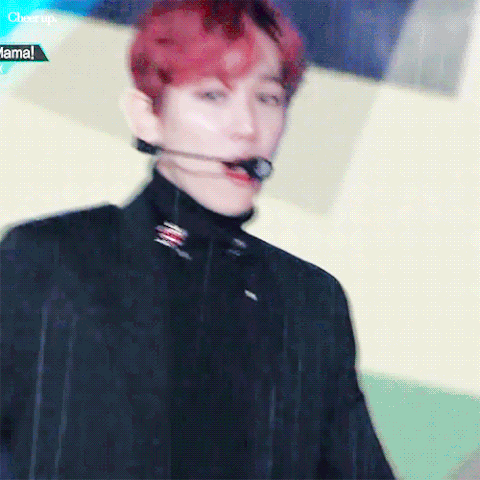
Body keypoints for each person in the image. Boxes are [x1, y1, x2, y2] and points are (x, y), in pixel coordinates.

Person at [0, 0, 395, 478]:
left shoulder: (310, 302)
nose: (248, 128)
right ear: (147, 116)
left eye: (268, 98)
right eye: (212, 95)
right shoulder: (51, 261)